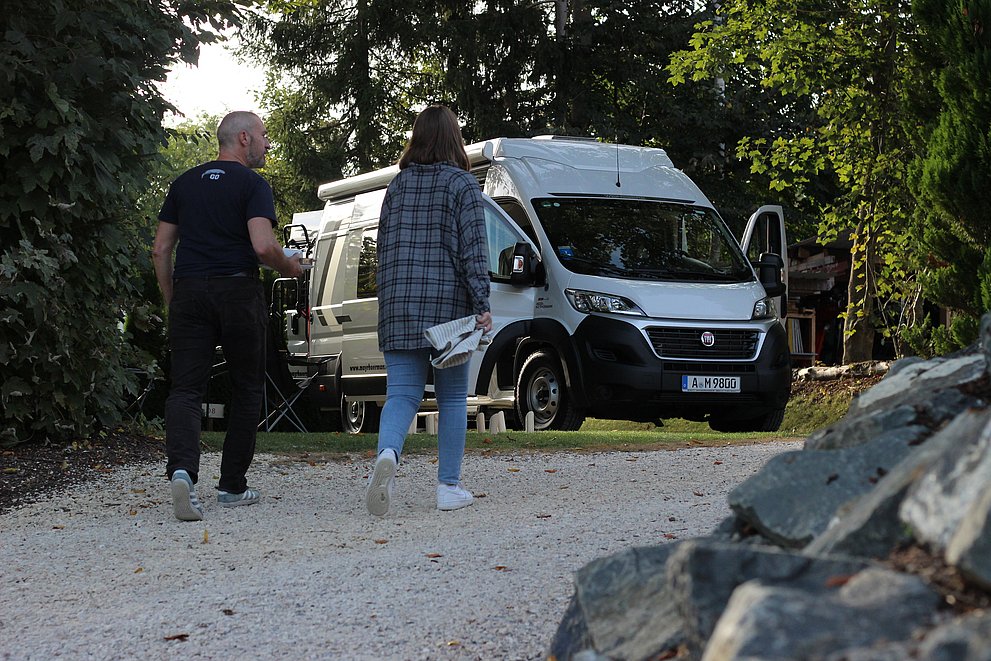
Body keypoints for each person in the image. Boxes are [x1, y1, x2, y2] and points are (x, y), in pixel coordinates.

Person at [152, 111, 302, 521]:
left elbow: (161, 249)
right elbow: (262, 246)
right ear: (243, 138)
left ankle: (182, 471)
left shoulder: (183, 183)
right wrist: (290, 266)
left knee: (185, 389)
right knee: (247, 388)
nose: (268, 143)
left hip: (189, 291)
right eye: (264, 136)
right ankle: (232, 486)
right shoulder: (253, 184)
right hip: (237, 291)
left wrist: (172, 297)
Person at [366, 105, 493, 516]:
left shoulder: (397, 186)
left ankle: (387, 455)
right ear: (454, 139)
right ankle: (448, 487)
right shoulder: (463, 185)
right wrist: (482, 306)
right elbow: (473, 251)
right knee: (453, 398)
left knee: (401, 394)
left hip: (399, 304)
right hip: (448, 309)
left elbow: (382, 249)